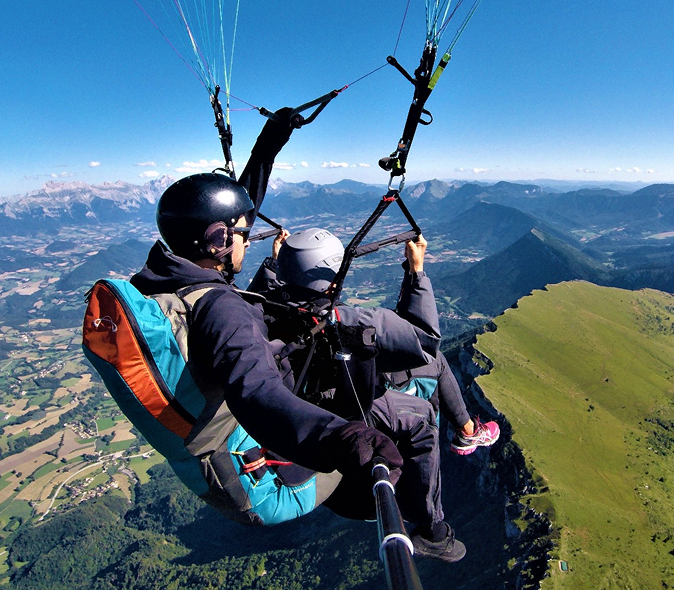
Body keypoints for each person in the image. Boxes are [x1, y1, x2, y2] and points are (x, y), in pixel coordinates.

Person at [129, 114, 466, 562]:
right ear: (217, 241)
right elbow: (257, 392)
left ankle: (459, 445)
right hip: (291, 452)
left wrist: (268, 145)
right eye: (242, 234)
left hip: (287, 404)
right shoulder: (225, 309)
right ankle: (432, 529)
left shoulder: (170, 282)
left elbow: (225, 222)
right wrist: (339, 437)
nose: (248, 239)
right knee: (420, 414)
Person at [252, 229, 501, 457]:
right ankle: (467, 431)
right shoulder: (349, 320)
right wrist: (416, 271)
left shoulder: (266, 307)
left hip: (301, 400)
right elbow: (424, 340)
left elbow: (264, 292)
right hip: (346, 397)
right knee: (437, 361)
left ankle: (465, 429)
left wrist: (276, 263)